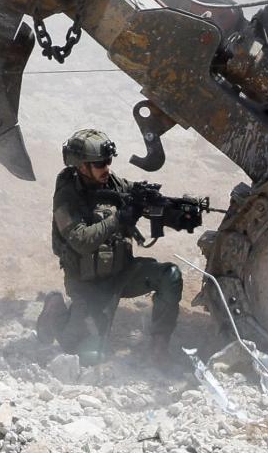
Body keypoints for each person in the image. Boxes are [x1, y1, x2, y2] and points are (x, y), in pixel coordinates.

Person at [38, 129, 183, 364]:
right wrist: (120, 219)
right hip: (89, 285)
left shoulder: (113, 183)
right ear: (82, 166)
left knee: (170, 275)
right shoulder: (67, 196)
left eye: (108, 161)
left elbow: (138, 200)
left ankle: (159, 348)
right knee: (88, 356)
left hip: (122, 273)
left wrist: (172, 210)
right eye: (99, 164)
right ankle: (55, 312)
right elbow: (81, 241)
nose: (106, 168)